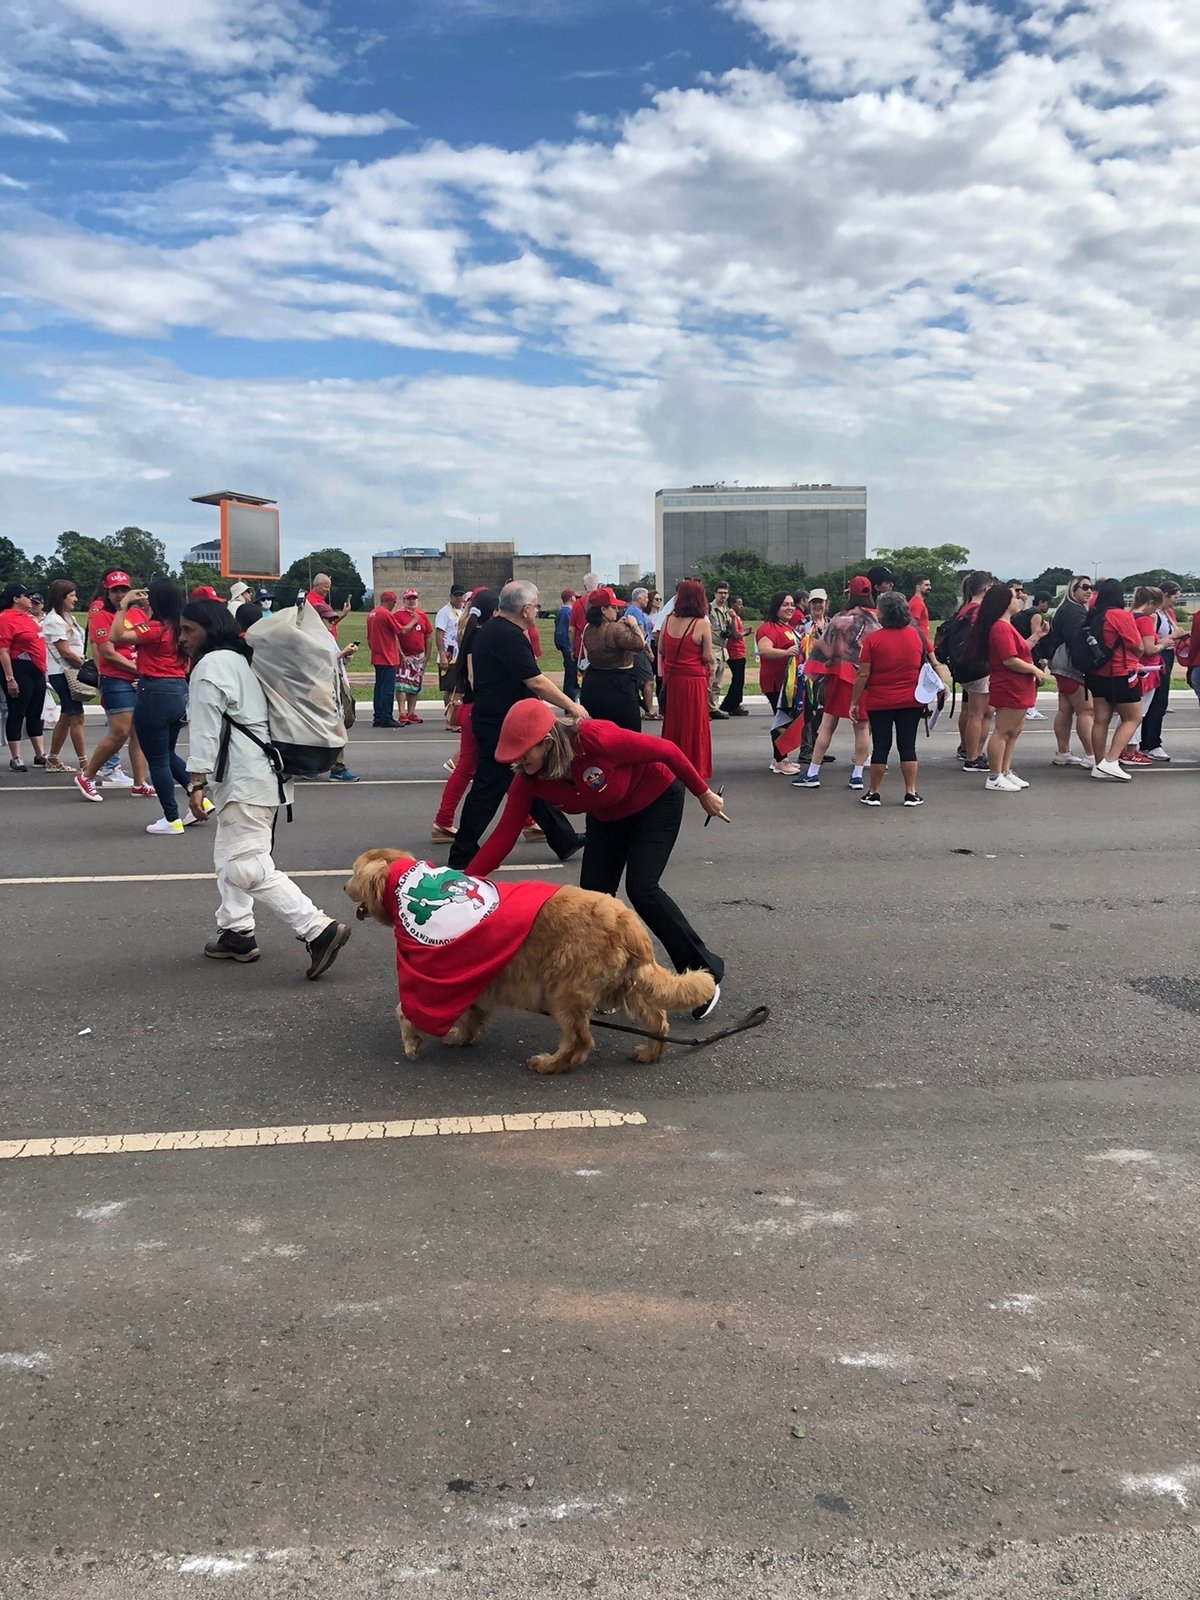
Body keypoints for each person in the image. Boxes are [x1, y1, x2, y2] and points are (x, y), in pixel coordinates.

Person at [471, 700, 727, 1019]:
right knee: (593, 898)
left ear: (548, 743)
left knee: (643, 889)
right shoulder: (528, 779)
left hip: (655, 802)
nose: (519, 763)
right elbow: (503, 836)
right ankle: (610, 983)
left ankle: (704, 972)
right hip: (607, 817)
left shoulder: (596, 740)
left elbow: (667, 750)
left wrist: (703, 794)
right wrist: (464, 881)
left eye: (524, 753)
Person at [180, 599, 350, 976]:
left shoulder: (209, 666)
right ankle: (236, 931)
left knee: (246, 865)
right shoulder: (241, 659)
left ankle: (317, 928)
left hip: (246, 780)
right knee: (229, 857)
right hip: (261, 775)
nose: (182, 638)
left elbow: (205, 730)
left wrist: (195, 782)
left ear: (210, 629)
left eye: (189, 629)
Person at [447, 580, 589, 870]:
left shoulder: (495, 630)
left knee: (530, 780)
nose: (537, 611)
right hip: (500, 722)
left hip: (501, 719)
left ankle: (562, 838)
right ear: (525, 609)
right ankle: (462, 852)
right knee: (490, 787)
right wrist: (571, 705)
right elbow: (534, 680)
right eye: (535, 606)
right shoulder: (508, 635)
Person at [110, 578, 195, 834]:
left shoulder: (156, 627)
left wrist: (124, 605)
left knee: (157, 759)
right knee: (168, 753)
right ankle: (199, 798)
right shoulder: (182, 628)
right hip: (179, 690)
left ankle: (171, 818)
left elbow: (117, 636)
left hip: (154, 691)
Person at [850, 591, 941, 806]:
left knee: (881, 746)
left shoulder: (872, 641)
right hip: (911, 700)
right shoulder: (917, 634)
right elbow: (933, 662)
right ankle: (911, 792)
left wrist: (854, 701)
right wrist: (940, 686)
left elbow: (863, 674)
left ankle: (874, 792)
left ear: (883, 613)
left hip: (879, 700)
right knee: (907, 746)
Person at [793, 576, 879, 790]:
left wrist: (812, 672)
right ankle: (857, 776)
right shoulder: (877, 622)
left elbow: (823, 650)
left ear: (850, 594)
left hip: (840, 678)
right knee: (862, 728)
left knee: (827, 725)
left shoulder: (840, 620)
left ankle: (813, 773)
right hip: (865, 680)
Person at [74, 570, 153, 800]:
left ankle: (140, 783)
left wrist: (147, 607)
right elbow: (108, 653)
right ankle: (87, 775)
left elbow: (147, 639)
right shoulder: (102, 615)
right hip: (116, 679)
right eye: (115, 591)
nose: (120, 595)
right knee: (120, 731)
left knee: (138, 733)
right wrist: (139, 669)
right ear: (107, 592)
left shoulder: (137, 614)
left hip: (137, 679)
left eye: (124, 590)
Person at [1084, 578, 1171, 781]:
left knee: (1101, 719)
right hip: (1120, 672)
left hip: (1097, 673)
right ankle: (1111, 760)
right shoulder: (1120, 616)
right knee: (1133, 717)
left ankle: (1098, 764)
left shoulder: (1094, 615)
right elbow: (1138, 646)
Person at [964, 581, 1047, 791]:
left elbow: (1018, 650)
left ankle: (1005, 770)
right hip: (1009, 685)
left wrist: (1036, 637)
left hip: (1018, 685)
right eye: (1013, 597)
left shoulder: (1006, 626)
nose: (1018, 599)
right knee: (1003, 731)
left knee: (1014, 731)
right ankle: (994, 775)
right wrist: (1034, 669)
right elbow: (1009, 659)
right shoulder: (1000, 628)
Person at [659, 577, 714, 781]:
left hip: (673, 680)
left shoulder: (667, 621)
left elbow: (662, 650)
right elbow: (707, 656)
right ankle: (694, 767)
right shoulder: (701, 624)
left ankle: (672, 766)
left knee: (674, 722)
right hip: (694, 681)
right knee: (695, 724)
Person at [305, 580, 359, 781]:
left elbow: (333, 659)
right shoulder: (310, 637)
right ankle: (337, 767)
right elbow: (318, 663)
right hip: (322, 689)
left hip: (334, 687)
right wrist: (341, 654)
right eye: (327, 619)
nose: (331, 622)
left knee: (331, 728)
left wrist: (345, 656)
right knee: (334, 728)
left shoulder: (326, 636)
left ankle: (314, 766)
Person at [1042, 576, 1095, 767]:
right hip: (1071, 665)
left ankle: (1063, 751)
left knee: (1066, 709)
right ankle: (1091, 754)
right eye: (1085, 587)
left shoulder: (1066, 609)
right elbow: (1077, 641)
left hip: (1060, 663)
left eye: (1091, 587)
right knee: (1086, 710)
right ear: (1074, 591)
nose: (1089, 591)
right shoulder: (1075, 611)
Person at [578, 587, 646, 732]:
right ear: (603, 609)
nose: (616, 610)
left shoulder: (589, 629)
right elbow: (640, 644)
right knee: (627, 734)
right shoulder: (615, 629)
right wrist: (633, 624)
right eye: (613, 607)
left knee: (598, 733)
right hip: (618, 687)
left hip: (593, 682)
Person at [41, 578, 89, 773]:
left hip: (70, 671)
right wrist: (87, 667)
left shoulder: (68, 617)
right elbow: (65, 652)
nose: (75, 599)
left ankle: (52, 758)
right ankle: (85, 763)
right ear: (62, 598)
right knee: (77, 715)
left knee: (67, 715)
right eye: (72, 595)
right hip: (62, 672)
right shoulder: (53, 621)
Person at [0, 581, 47, 771]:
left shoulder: (28, 618)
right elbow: (3, 650)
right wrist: (10, 678)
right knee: (17, 711)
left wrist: (43, 672)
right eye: (27, 596)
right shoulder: (5, 619)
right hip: (19, 668)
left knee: (35, 712)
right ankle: (16, 756)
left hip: (36, 669)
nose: (31, 600)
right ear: (16, 599)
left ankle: (39, 753)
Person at [951, 570, 995, 771]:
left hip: (965, 666)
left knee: (972, 712)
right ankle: (974, 756)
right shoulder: (981, 611)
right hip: (980, 667)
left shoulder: (965, 609)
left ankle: (969, 751)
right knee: (981, 714)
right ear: (985, 588)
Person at [755, 591, 802, 775]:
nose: (790, 608)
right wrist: (786, 653)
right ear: (776, 607)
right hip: (776, 683)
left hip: (789, 683)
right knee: (782, 720)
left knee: (787, 719)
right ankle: (781, 760)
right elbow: (765, 651)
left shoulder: (788, 628)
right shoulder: (768, 628)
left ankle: (779, 758)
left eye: (792, 604)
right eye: (785, 604)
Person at [1139, 581, 1180, 762]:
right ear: (1165, 595)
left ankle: (1148, 741)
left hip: (1168, 655)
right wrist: (1171, 637)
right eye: (1174, 598)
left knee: (1159, 701)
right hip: (1158, 657)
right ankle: (1151, 743)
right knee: (1156, 701)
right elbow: (1152, 641)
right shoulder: (1154, 616)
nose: (1175, 602)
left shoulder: (1168, 613)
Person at [393, 587, 433, 725]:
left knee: (415, 684)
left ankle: (411, 712)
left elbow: (428, 636)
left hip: (418, 655)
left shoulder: (423, 615)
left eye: (414, 598)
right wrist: (400, 654)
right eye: (409, 599)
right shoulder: (398, 615)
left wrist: (427, 655)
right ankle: (402, 712)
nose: (412, 601)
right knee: (402, 683)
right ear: (404, 600)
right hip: (405, 655)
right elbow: (396, 635)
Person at [366, 589, 405, 728]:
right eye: (394, 603)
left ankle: (378, 716)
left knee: (379, 688)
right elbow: (401, 630)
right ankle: (386, 717)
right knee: (388, 689)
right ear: (390, 602)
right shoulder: (386, 614)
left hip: (377, 656)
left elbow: (369, 638)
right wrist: (414, 620)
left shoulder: (372, 614)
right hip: (388, 656)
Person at [624, 586, 658, 720]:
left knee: (637, 680)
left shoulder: (631, 611)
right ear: (639, 598)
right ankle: (649, 710)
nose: (648, 600)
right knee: (649, 680)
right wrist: (649, 651)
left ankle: (643, 705)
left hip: (634, 651)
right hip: (640, 651)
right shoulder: (636, 612)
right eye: (646, 598)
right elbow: (640, 633)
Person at [434, 583, 468, 708]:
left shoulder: (463, 611)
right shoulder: (444, 612)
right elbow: (439, 634)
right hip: (449, 656)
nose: (459, 598)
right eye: (456, 595)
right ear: (451, 596)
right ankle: (450, 718)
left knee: (458, 689)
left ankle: (455, 717)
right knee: (451, 689)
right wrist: (442, 655)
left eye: (461, 595)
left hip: (460, 656)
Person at [707, 581, 733, 719]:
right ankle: (705, 708)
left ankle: (713, 707)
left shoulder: (726, 610)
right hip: (712, 647)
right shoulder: (709, 609)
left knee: (718, 682)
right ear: (715, 594)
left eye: (725, 593)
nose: (723, 595)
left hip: (722, 649)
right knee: (709, 681)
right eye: (720, 593)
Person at [719, 595, 748, 716]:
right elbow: (736, 634)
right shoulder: (733, 617)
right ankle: (731, 704)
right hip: (735, 651)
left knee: (738, 679)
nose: (741, 606)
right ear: (732, 604)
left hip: (739, 650)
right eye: (739, 604)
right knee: (738, 679)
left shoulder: (736, 617)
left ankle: (733, 703)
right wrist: (746, 632)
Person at [554, 588, 579, 703]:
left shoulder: (560, 612)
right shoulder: (568, 612)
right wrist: (570, 647)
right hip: (568, 647)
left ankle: (568, 700)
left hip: (563, 646)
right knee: (571, 676)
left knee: (569, 675)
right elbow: (570, 630)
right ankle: (570, 701)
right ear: (571, 598)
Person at [908, 577, 932, 650]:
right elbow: (912, 626)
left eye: (929, 585)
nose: (929, 587)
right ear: (918, 587)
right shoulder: (917, 604)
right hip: (920, 643)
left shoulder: (917, 601)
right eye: (926, 585)